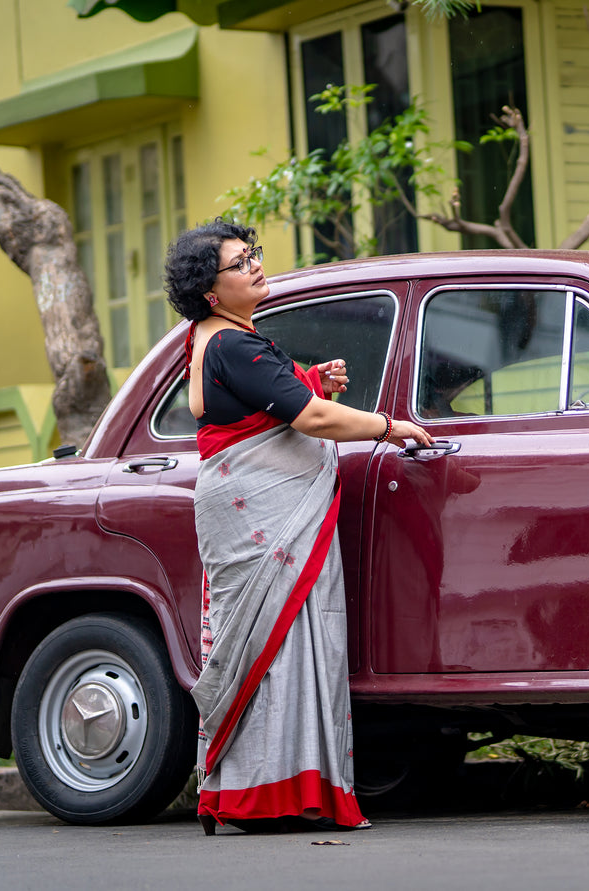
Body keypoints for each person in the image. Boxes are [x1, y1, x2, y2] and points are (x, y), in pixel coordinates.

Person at [163, 219, 432, 836]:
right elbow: (309, 419)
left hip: (249, 509)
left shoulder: (213, 338)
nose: (256, 264)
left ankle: (259, 793)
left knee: (276, 644)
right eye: (240, 262)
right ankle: (273, 796)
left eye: (253, 254)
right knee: (281, 643)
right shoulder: (234, 344)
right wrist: (391, 427)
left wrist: (309, 382)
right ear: (211, 291)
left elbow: (256, 408)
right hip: (263, 514)